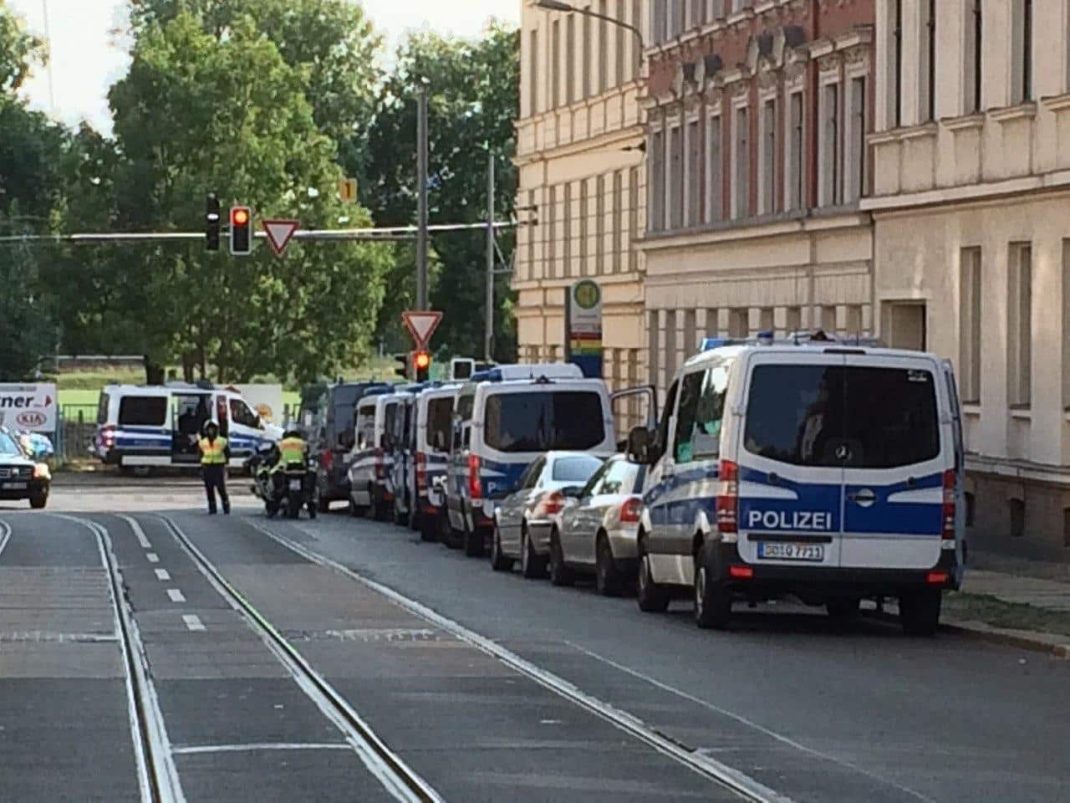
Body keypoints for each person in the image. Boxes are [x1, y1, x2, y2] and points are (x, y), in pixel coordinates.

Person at [198, 420, 231, 514]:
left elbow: (228, 453)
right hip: (207, 467)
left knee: (221, 487)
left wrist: (225, 464)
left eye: (213, 429)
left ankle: (226, 505)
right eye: (209, 429)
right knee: (209, 488)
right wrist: (202, 466)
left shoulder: (222, 441)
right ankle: (212, 507)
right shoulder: (202, 442)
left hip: (219, 467)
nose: (211, 431)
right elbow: (200, 455)